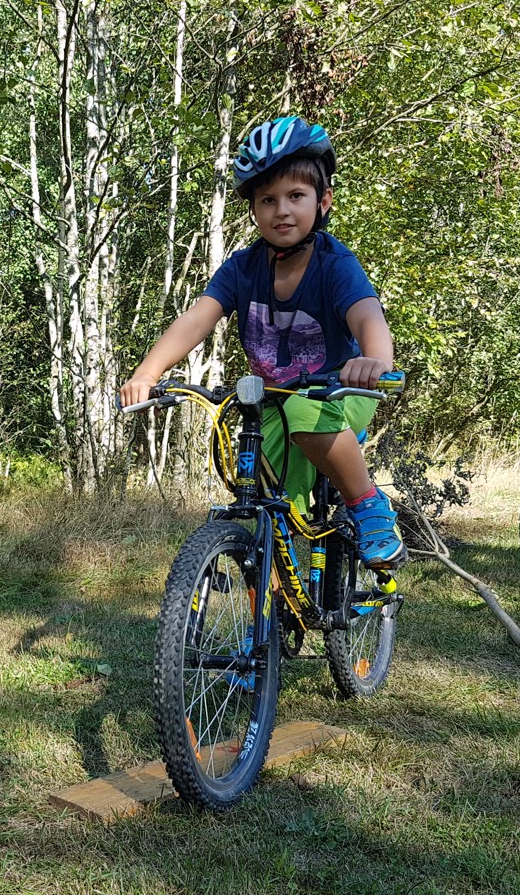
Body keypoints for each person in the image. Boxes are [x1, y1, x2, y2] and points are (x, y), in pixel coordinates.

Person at [119, 116, 404, 567]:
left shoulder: (334, 264)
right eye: (268, 200)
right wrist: (147, 373)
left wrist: (375, 361)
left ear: (323, 201)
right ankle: (268, 600)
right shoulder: (243, 268)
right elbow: (196, 319)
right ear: (253, 209)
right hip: (276, 400)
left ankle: (367, 504)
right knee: (266, 495)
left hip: (340, 391)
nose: (281, 210)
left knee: (303, 409)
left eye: (296, 196)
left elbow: (368, 316)